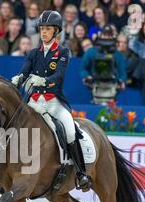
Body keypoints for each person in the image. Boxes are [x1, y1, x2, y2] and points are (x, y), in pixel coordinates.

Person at [10, 10, 92, 191]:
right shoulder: (33, 53)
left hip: (53, 102)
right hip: (34, 102)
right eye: (42, 29)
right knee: (13, 128)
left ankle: (81, 174)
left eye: (48, 29)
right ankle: (6, 174)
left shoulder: (63, 52)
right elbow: (25, 70)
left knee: (70, 130)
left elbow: (59, 75)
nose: (44, 32)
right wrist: (18, 78)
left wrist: (44, 81)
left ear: (56, 31)